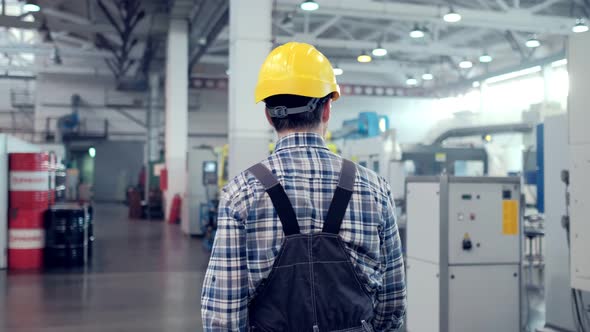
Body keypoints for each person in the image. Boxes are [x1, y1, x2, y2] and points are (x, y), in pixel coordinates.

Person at [201, 42, 406, 331]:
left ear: (269, 116)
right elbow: (392, 302)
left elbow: (223, 316)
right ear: (327, 109)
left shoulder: (241, 194)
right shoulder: (374, 188)